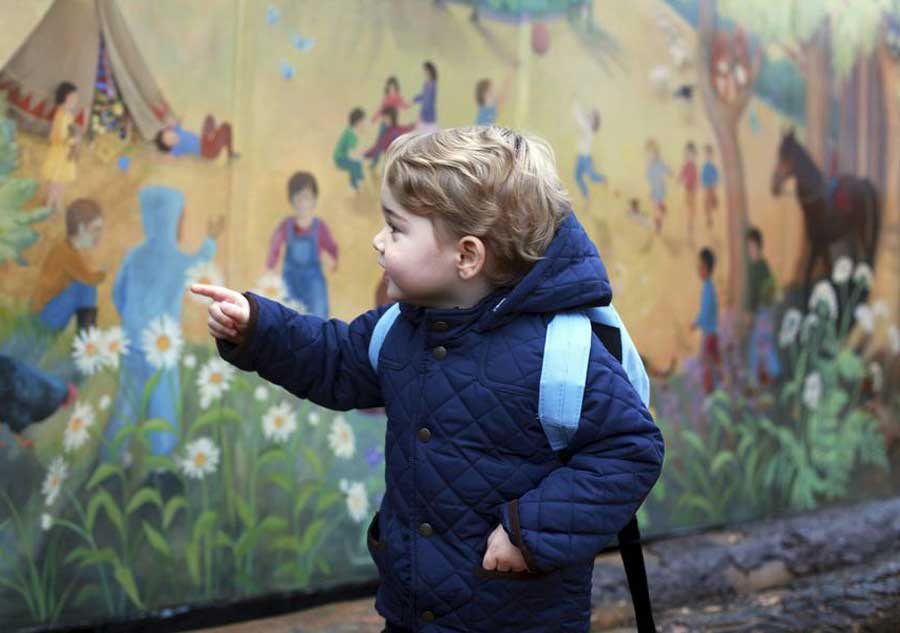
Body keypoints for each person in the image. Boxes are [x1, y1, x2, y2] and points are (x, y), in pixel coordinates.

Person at [191, 126, 664, 633]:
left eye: (395, 229)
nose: (378, 241)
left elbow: (630, 451)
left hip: (517, 616)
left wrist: (532, 534)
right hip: (412, 608)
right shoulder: (403, 327)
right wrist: (259, 329)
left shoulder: (561, 353)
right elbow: (336, 361)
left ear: (466, 256)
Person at [103, 185, 225, 461]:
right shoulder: (176, 261)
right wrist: (212, 239)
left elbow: (117, 293)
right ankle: (161, 463)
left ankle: (110, 457)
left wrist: (132, 322)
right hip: (162, 346)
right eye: (180, 219)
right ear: (173, 222)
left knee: (127, 400)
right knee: (163, 402)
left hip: (132, 342)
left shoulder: (134, 256)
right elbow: (199, 263)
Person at [265, 171, 338, 318]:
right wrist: (270, 269)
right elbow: (275, 247)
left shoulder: (320, 227)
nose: (303, 203)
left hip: (314, 284)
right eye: (298, 198)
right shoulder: (286, 226)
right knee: (290, 319)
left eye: (307, 198)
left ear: (314, 200)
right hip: (291, 281)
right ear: (291, 200)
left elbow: (332, 248)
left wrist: (332, 260)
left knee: (317, 318)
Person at [31, 198, 105, 333]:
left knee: (85, 285)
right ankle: (87, 339)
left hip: (47, 313)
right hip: (43, 317)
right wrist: (105, 272)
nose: (99, 236)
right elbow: (91, 277)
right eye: (96, 229)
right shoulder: (66, 252)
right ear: (82, 228)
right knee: (87, 285)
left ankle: (86, 339)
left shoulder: (68, 249)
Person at [745, 227, 780, 387]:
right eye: (748, 247)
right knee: (764, 344)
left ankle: (753, 381)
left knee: (756, 345)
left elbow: (760, 291)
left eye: (752, 247)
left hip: (763, 311)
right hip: (763, 311)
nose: (750, 250)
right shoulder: (757, 265)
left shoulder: (759, 267)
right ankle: (774, 371)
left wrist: (751, 312)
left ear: (759, 246)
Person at [42, 81, 82, 214]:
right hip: (59, 153)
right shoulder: (62, 115)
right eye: (74, 97)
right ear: (67, 97)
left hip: (64, 153)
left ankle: (57, 204)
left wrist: (74, 140)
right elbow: (59, 136)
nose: (76, 100)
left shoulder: (67, 114)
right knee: (55, 182)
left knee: (61, 181)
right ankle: (48, 206)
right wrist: (73, 140)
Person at [692, 247, 721, 395]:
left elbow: (706, 312)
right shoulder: (708, 287)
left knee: (708, 364)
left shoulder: (708, 289)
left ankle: (710, 392)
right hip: (712, 333)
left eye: (701, 266)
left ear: (706, 268)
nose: (698, 269)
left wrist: (696, 323)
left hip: (710, 334)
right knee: (714, 363)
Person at [154, 114, 237, 160]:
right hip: (207, 152)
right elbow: (169, 158)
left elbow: (177, 120)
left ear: (170, 130)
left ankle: (227, 150)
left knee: (209, 118)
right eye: (168, 141)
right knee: (226, 127)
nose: (170, 137)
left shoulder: (177, 130)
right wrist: (157, 157)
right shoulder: (177, 149)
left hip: (205, 141)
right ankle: (226, 148)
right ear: (169, 147)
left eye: (169, 134)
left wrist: (169, 121)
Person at [572, 98, 605, 200]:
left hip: (585, 158)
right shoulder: (587, 127)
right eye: (590, 115)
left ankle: (604, 179)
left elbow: (579, 118)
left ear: (594, 121)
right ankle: (587, 195)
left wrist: (575, 104)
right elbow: (581, 118)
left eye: (592, 116)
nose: (589, 116)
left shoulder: (588, 129)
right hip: (582, 157)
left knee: (592, 176)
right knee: (577, 176)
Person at [364, 107, 415, 171]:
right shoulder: (395, 129)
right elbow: (378, 147)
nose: (383, 120)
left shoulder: (389, 133)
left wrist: (366, 155)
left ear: (390, 118)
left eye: (384, 118)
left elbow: (378, 147)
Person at [333, 107, 366, 190]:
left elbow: (352, 151)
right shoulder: (352, 135)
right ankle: (353, 185)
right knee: (355, 165)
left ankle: (359, 177)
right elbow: (351, 155)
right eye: (362, 121)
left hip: (343, 156)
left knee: (358, 162)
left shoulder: (351, 131)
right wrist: (360, 157)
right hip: (340, 159)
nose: (364, 123)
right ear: (357, 122)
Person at [645, 138, 671, 233]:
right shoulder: (650, 165)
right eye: (650, 154)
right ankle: (658, 222)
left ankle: (658, 223)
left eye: (654, 154)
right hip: (654, 189)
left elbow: (667, 169)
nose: (652, 156)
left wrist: (670, 172)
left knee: (657, 206)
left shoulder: (660, 163)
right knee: (655, 207)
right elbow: (648, 176)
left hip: (660, 188)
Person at [679, 141, 699, 245]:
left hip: (692, 189)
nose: (689, 156)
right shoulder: (686, 165)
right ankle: (688, 224)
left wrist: (696, 185)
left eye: (691, 154)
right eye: (688, 154)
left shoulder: (693, 166)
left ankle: (690, 224)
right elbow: (682, 174)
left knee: (692, 208)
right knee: (689, 207)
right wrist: (680, 180)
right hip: (688, 189)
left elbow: (696, 177)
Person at [413, 61, 438, 132]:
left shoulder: (433, 85)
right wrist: (414, 100)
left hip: (429, 118)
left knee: (431, 136)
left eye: (425, 70)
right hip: (425, 118)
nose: (424, 72)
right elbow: (423, 96)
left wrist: (420, 115)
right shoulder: (426, 84)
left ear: (430, 71)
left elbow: (428, 102)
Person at [701, 143, 719, 229]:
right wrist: (703, 184)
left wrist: (715, 184)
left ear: (712, 155)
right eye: (706, 154)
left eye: (709, 154)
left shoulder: (713, 167)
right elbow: (703, 177)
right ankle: (709, 218)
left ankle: (710, 218)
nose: (708, 156)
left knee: (712, 203)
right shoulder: (705, 166)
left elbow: (716, 176)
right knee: (706, 204)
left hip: (712, 187)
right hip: (706, 187)